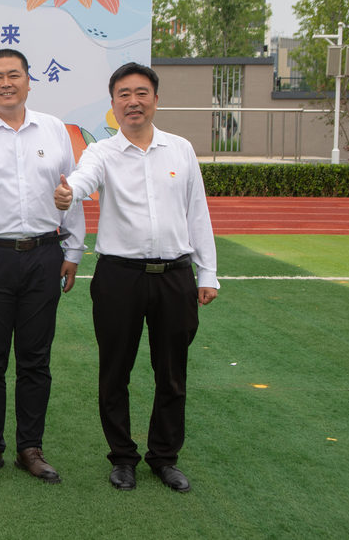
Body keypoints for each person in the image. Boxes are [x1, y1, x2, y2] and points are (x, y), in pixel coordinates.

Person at [54, 62, 219, 493]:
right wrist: (68, 192)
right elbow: (82, 180)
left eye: (141, 93)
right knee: (115, 372)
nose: (133, 101)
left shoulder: (180, 149)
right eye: (124, 94)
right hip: (119, 278)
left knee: (172, 374)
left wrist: (208, 272)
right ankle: (123, 458)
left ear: (156, 100)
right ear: (113, 104)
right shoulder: (102, 153)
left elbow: (197, 211)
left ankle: (164, 457)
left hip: (175, 277)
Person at [0, 48, 85, 484]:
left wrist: (73, 251)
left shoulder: (54, 129)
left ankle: (31, 446)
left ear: (28, 81)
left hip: (44, 255)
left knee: (35, 358)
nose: (6, 83)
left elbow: (69, 191)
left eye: (14, 75)